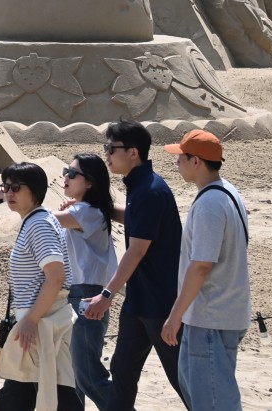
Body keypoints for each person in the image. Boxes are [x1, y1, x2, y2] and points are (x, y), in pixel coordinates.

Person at [84, 120, 186, 410]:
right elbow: (135, 220)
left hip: (160, 303)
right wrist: (94, 206)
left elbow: (137, 250)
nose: (106, 154)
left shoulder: (150, 190)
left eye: (110, 148)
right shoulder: (140, 186)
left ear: (133, 152)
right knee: (122, 369)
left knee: (182, 378)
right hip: (139, 301)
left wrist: (107, 294)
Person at [161, 130, 252, 411]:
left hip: (212, 317)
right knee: (199, 391)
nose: (177, 162)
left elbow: (201, 266)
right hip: (217, 314)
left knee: (213, 402)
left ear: (196, 161)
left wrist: (174, 316)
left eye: (181, 157)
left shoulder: (210, 204)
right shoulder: (227, 191)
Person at [0, 163, 80, 411]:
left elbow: (55, 277)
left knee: (26, 394)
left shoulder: (39, 224)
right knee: (46, 392)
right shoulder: (36, 220)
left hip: (40, 324)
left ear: (35, 190)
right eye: (6, 187)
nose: (9, 193)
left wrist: (31, 320)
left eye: (16, 187)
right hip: (39, 323)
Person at [54, 154, 119, 410]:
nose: (65, 177)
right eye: (65, 171)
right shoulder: (83, 210)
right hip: (75, 295)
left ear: (90, 182)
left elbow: (42, 219)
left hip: (86, 296)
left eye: (72, 174)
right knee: (73, 377)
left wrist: (8, 195)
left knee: (88, 376)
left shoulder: (88, 211)